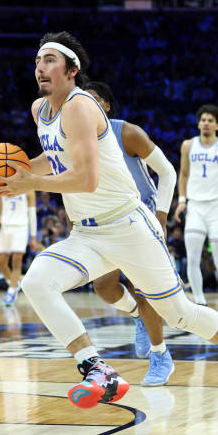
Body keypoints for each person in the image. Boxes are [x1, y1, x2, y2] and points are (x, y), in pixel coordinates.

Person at [0, 31, 218, 410]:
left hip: (127, 226)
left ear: (72, 70)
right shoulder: (40, 110)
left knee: (179, 315)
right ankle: (95, 368)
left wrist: (31, 183)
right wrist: (14, 172)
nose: (40, 68)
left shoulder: (81, 106)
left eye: (50, 60)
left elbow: (86, 179)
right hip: (86, 234)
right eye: (38, 61)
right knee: (37, 282)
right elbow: (55, 159)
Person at [82, 81, 177, 386]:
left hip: (141, 216)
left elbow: (167, 172)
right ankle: (137, 315)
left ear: (106, 106)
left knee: (145, 288)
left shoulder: (127, 133)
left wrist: (160, 216)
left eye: (94, 101)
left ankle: (160, 355)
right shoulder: (78, 139)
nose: (87, 107)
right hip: (109, 221)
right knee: (103, 286)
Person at [173, 104, 218, 324]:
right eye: (203, 119)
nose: (206, 123)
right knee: (192, 258)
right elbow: (183, 174)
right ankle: (200, 304)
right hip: (195, 207)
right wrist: (182, 201)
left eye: (210, 120)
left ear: (217, 125)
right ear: (198, 123)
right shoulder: (188, 145)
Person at [0, 191, 37, 305]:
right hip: (5, 227)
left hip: (21, 227)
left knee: (16, 261)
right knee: (1, 263)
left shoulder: (29, 188)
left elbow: (32, 214)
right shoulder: (1, 186)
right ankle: (14, 284)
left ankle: (11, 291)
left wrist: (33, 237)